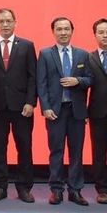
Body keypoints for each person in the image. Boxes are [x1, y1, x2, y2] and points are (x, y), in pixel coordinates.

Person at [37, 17, 92, 206]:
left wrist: (78, 81)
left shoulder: (83, 55)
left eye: (66, 29)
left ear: (72, 31)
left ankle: (75, 191)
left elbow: (90, 79)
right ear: (53, 32)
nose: (63, 32)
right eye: (59, 29)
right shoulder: (45, 54)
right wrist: (45, 107)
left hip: (76, 111)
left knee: (76, 152)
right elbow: (41, 83)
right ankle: (56, 190)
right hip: (55, 111)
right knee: (56, 151)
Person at [0, 9, 37, 203]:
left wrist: (31, 102)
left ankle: (24, 187)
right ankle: (0, 187)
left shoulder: (27, 45)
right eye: (1, 21)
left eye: (8, 21)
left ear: (15, 22)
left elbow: (33, 76)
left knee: (24, 147)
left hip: (22, 107)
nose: (5, 25)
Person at [87, 18, 107, 204]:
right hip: (98, 113)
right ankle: (102, 189)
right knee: (99, 152)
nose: (105, 35)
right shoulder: (89, 58)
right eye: (101, 32)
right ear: (95, 35)